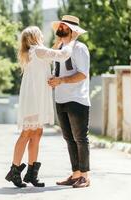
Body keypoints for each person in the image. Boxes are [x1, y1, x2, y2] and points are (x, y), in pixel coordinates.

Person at [5, 26, 77, 188]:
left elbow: (48, 55)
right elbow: (62, 55)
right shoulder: (37, 50)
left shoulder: (37, 52)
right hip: (33, 98)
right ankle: (14, 170)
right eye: (40, 33)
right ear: (35, 37)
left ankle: (31, 173)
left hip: (38, 96)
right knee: (27, 132)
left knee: (37, 133)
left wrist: (57, 43)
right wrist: (71, 41)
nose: (43, 35)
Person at [48, 15, 91, 188]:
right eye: (60, 25)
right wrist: (54, 80)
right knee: (68, 138)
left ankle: (85, 176)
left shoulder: (80, 48)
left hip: (77, 99)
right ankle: (75, 175)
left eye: (64, 27)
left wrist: (62, 81)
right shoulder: (59, 48)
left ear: (73, 31)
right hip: (60, 99)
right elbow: (58, 72)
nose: (60, 28)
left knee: (80, 138)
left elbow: (82, 74)